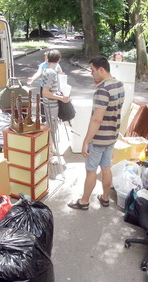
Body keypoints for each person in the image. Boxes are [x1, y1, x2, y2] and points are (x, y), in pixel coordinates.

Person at [67, 56, 125, 210]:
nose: (91, 74)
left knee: (91, 170)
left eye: (92, 70)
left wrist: (86, 141)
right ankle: (105, 198)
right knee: (106, 167)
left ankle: (84, 201)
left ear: (101, 69)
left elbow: (97, 119)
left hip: (99, 139)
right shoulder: (119, 85)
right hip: (112, 136)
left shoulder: (103, 90)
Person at [40, 49, 69, 124]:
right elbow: (45, 92)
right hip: (51, 105)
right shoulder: (51, 73)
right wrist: (61, 98)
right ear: (59, 59)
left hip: (48, 104)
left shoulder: (46, 70)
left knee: (50, 127)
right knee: (52, 128)